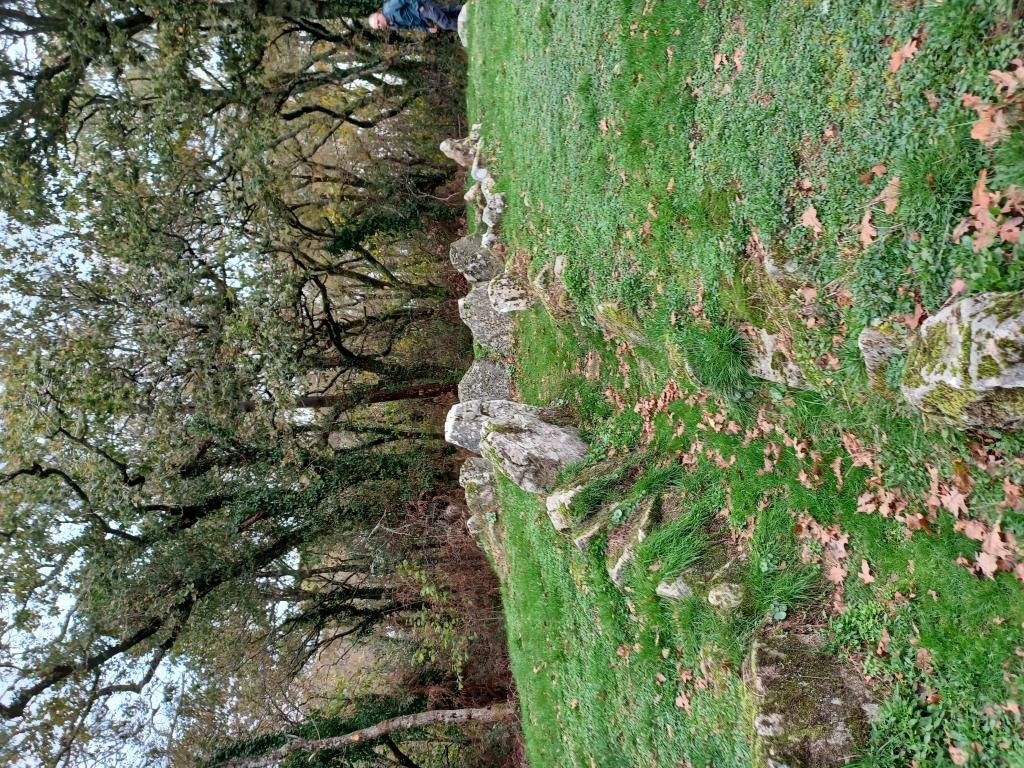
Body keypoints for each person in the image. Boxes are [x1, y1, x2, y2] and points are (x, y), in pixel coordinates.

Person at [368, 1, 463, 32]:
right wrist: (426, 28)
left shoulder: (389, 8)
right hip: (422, 16)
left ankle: (466, 29)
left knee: (445, 24)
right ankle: (467, 8)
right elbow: (412, 25)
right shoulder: (393, 26)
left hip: (422, 6)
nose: (380, 25)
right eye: (378, 27)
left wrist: (418, 6)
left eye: (378, 22)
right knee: (448, 11)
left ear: (378, 14)